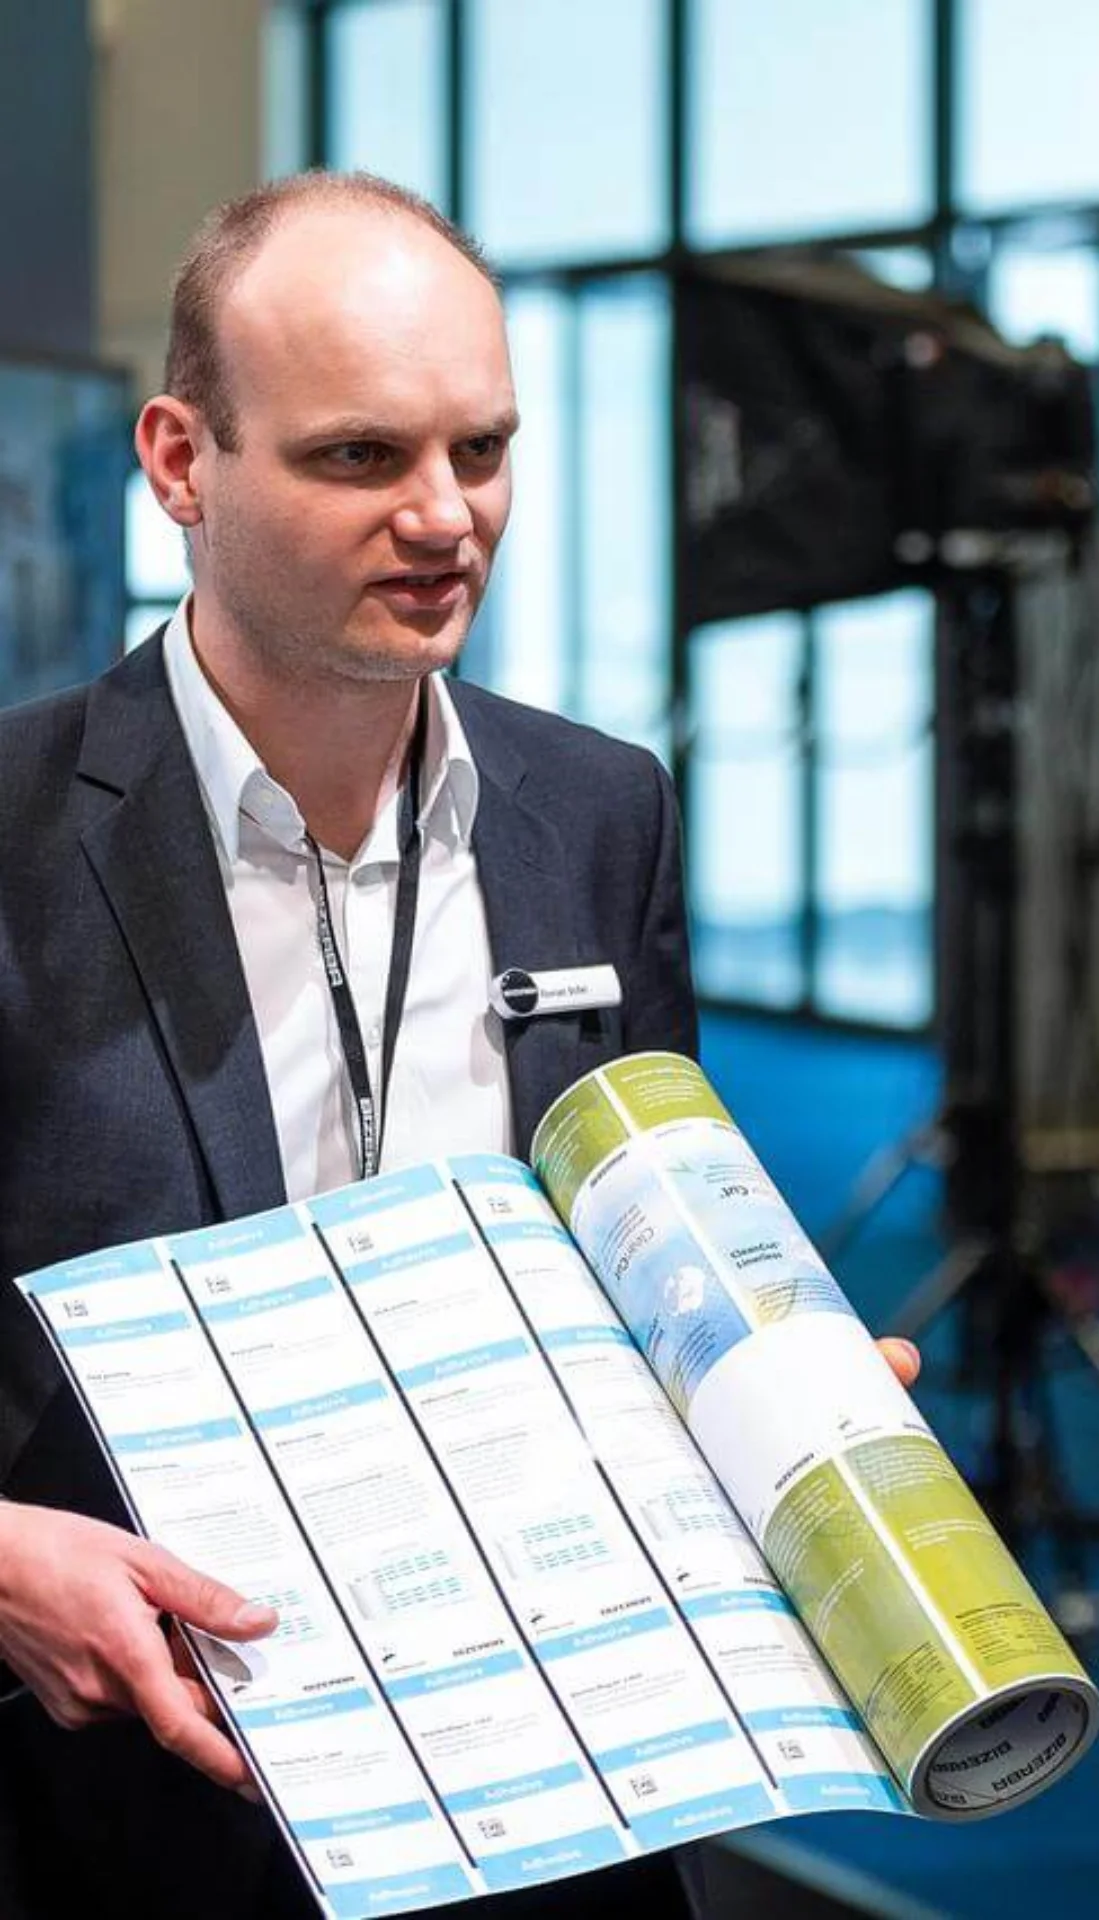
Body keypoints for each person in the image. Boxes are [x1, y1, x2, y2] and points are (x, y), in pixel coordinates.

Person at [0, 171, 920, 1919]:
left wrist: (764, 1389)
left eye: (480, 450)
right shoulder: (13, 838)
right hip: (136, 1813)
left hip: (574, 1791)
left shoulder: (599, 812)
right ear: (182, 463)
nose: (445, 518)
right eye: (361, 457)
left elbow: (643, 1244)